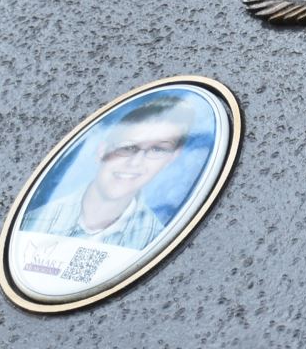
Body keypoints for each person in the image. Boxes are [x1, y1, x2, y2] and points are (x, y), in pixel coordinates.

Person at [21, 95, 200, 253]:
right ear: (102, 149)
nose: (136, 162)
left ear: (172, 158)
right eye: (128, 147)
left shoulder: (156, 240)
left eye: (157, 149)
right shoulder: (32, 222)